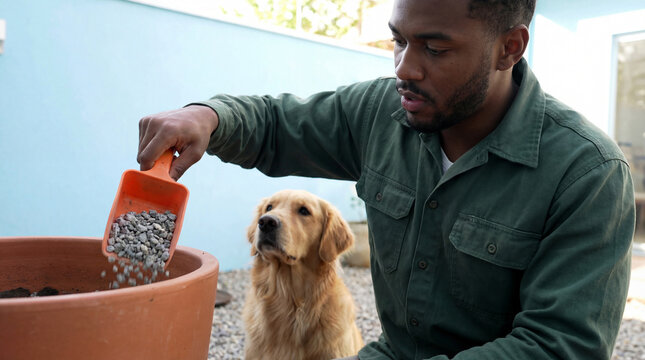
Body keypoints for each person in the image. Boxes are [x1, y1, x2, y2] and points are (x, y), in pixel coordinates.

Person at [137, 0, 636, 359]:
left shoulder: (587, 173)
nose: (404, 68)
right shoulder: (382, 111)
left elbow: (558, 346)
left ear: (510, 48)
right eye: (398, 41)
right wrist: (208, 116)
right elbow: (276, 124)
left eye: (435, 49)